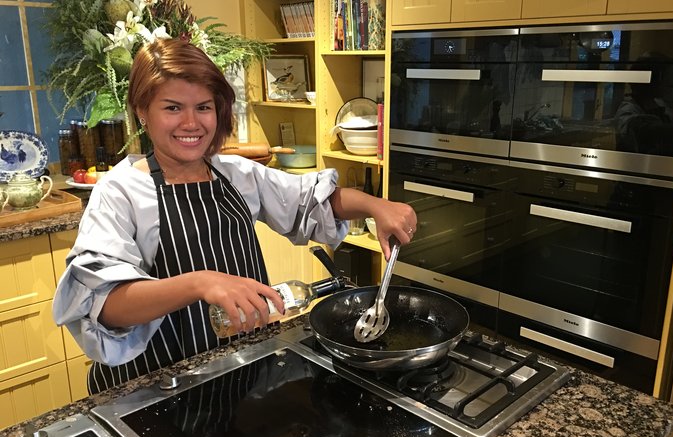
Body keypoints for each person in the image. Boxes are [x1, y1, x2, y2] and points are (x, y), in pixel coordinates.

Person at [52, 38, 417, 394]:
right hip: (158, 384)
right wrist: (199, 283)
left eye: (203, 107)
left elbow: (312, 199)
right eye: (173, 108)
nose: (191, 123)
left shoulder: (234, 173)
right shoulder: (121, 191)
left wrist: (375, 206)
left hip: (236, 368)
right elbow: (106, 305)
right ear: (142, 111)